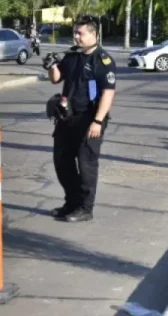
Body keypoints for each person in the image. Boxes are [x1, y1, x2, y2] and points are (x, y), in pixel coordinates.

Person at [42, 15, 117, 222]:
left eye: (80, 33)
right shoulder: (72, 56)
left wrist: (98, 121)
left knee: (86, 165)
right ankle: (72, 202)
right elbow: (56, 80)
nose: (76, 37)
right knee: (62, 162)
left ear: (94, 34)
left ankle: (85, 208)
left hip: (90, 120)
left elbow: (108, 93)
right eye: (75, 32)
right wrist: (51, 66)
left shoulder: (103, 61)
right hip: (67, 118)